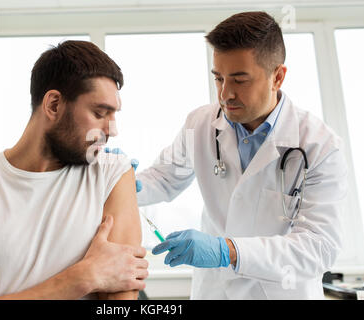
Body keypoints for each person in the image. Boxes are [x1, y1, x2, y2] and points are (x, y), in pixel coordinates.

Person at [129, 12, 348, 299]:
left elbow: (319, 247)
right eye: (218, 78)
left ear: (278, 77)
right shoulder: (200, 124)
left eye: (239, 80)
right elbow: (164, 178)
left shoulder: (319, 146)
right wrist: (121, 183)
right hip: (214, 292)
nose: (225, 94)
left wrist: (227, 251)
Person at [0, 40, 148, 300]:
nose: (111, 130)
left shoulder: (111, 174)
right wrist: (83, 277)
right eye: (99, 113)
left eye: (114, 115)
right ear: (54, 105)